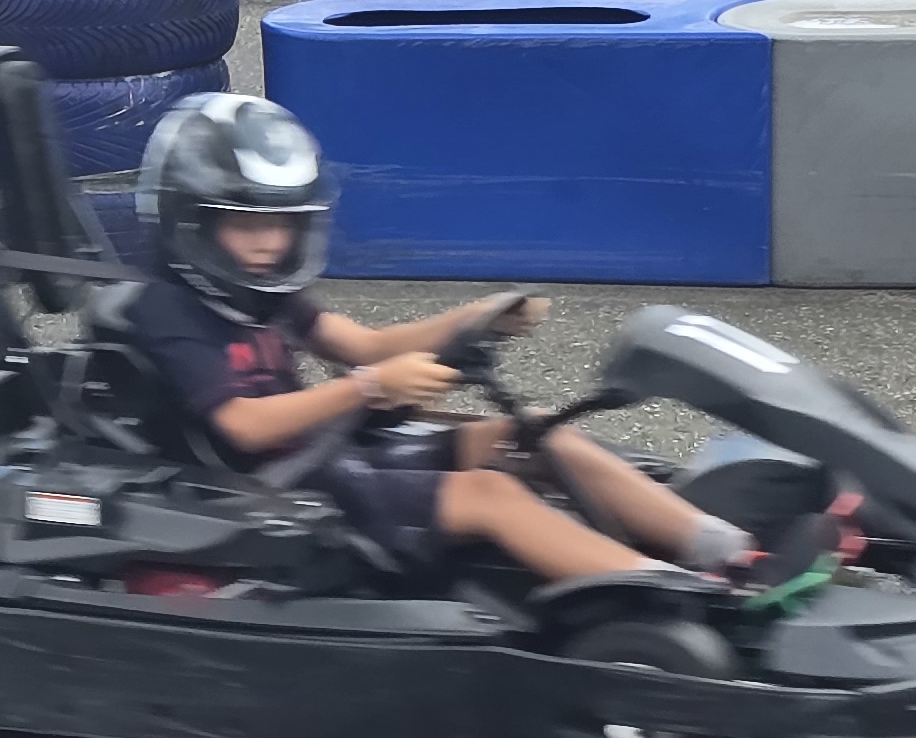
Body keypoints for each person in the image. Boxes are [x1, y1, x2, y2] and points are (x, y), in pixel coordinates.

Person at [120, 95, 843, 600]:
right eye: (247, 224)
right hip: (275, 492)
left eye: (281, 224)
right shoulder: (167, 307)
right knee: (490, 492)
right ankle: (684, 597)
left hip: (333, 457)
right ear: (192, 220)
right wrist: (370, 388)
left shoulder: (255, 288)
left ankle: (728, 550)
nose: (269, 242)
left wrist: (475, 317)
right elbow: (244, 426)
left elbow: (364, 344)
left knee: (533, 435)